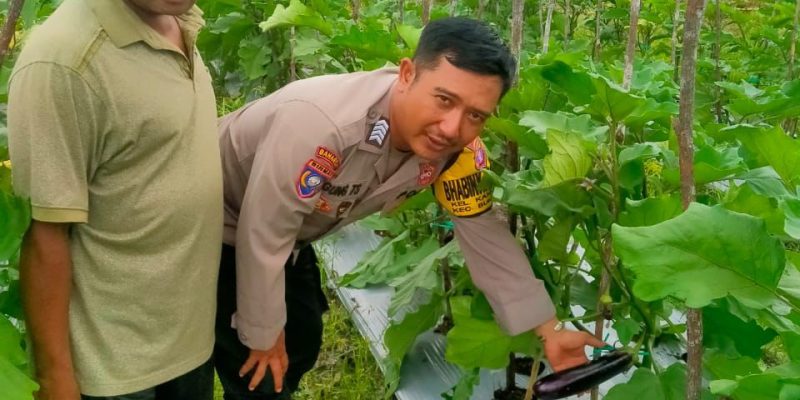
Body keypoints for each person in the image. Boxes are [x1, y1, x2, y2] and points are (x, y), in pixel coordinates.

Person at [215, 17, 605, 399]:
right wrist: (262, 335)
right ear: (406, 74)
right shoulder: (323, 126)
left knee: (301, 339)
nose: (452, 128)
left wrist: (549, 330)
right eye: (444, 100)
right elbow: (263, 232)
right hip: (211, 220)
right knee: (253, 368)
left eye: (475, 115)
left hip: (288, 236)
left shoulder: (455, 152)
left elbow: (485, 234)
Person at [7, 0, 222, 399]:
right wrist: (55, 380)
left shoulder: (176, 17)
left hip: (187, 343)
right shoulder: (64, 61)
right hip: (114, 369)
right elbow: (45, 236)